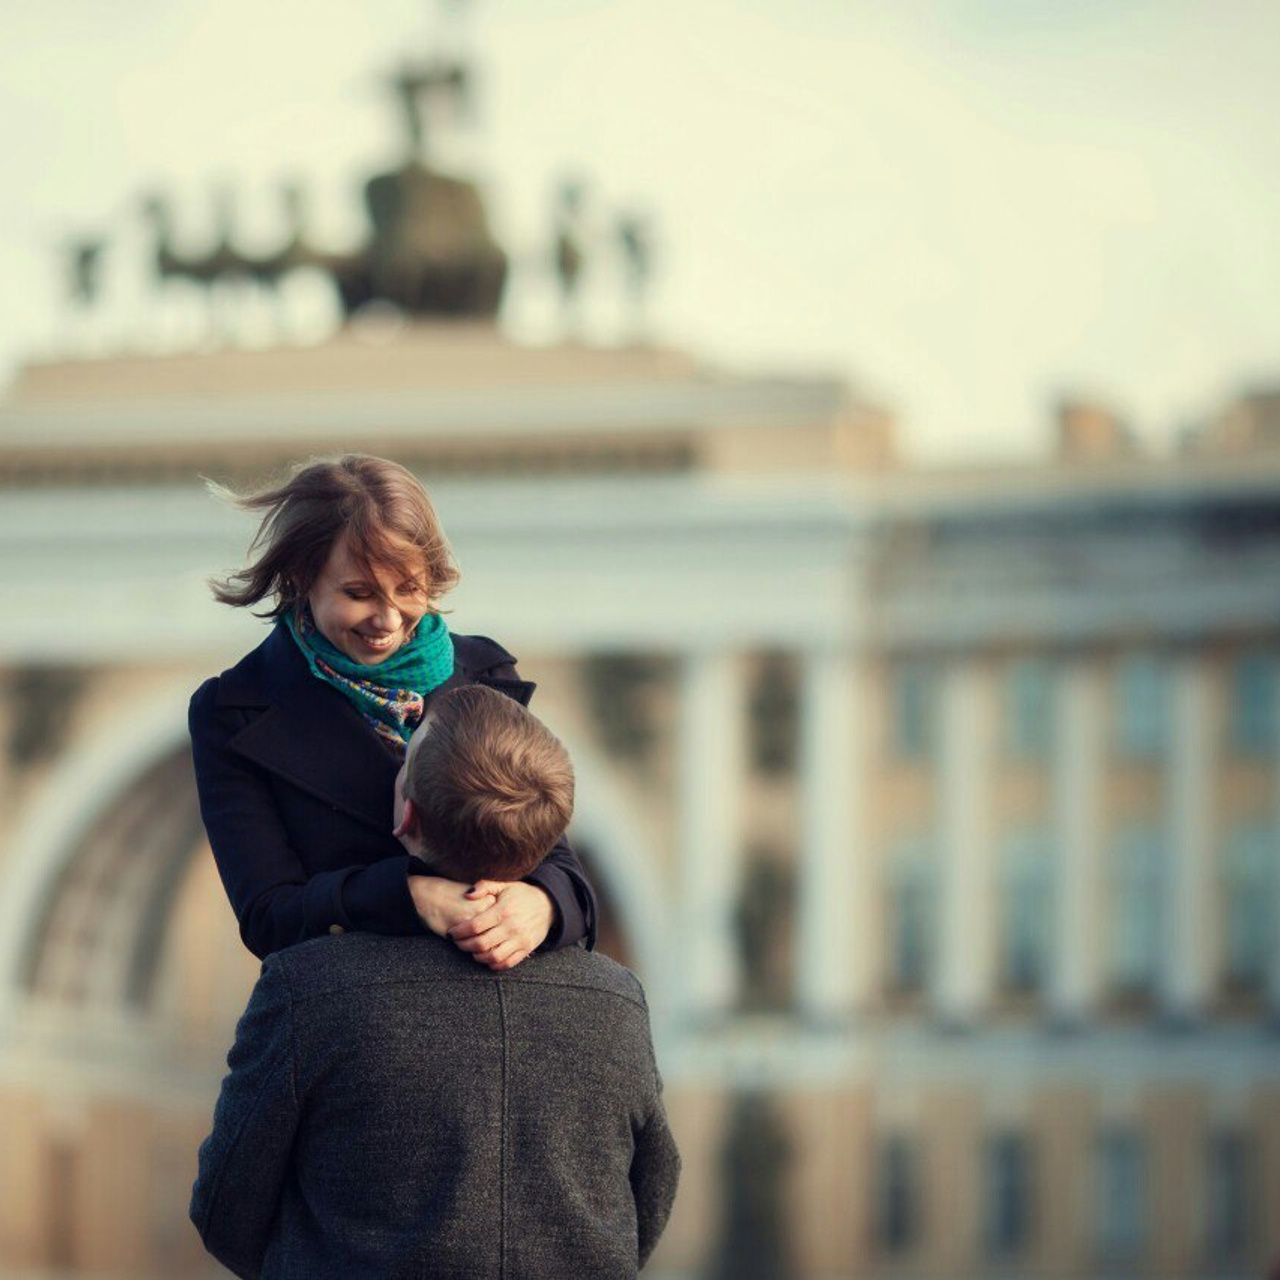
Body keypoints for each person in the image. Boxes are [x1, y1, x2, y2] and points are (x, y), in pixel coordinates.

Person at [191, 684, 680, 1279]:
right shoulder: (616, 1002)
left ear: (405, 815)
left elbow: (225, 1208)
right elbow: (650, 1196)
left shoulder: (307, 990)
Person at [188, 454, 597, 968]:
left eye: (409, 589)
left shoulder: (486, 671)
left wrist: (541, 904)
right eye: (358, 593)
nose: (387, 619)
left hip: (500, 1004)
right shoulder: (233, 713)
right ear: (300, 576)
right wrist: (410, 897)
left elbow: (560, 864)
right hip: (352, 1010)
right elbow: (268, 916)